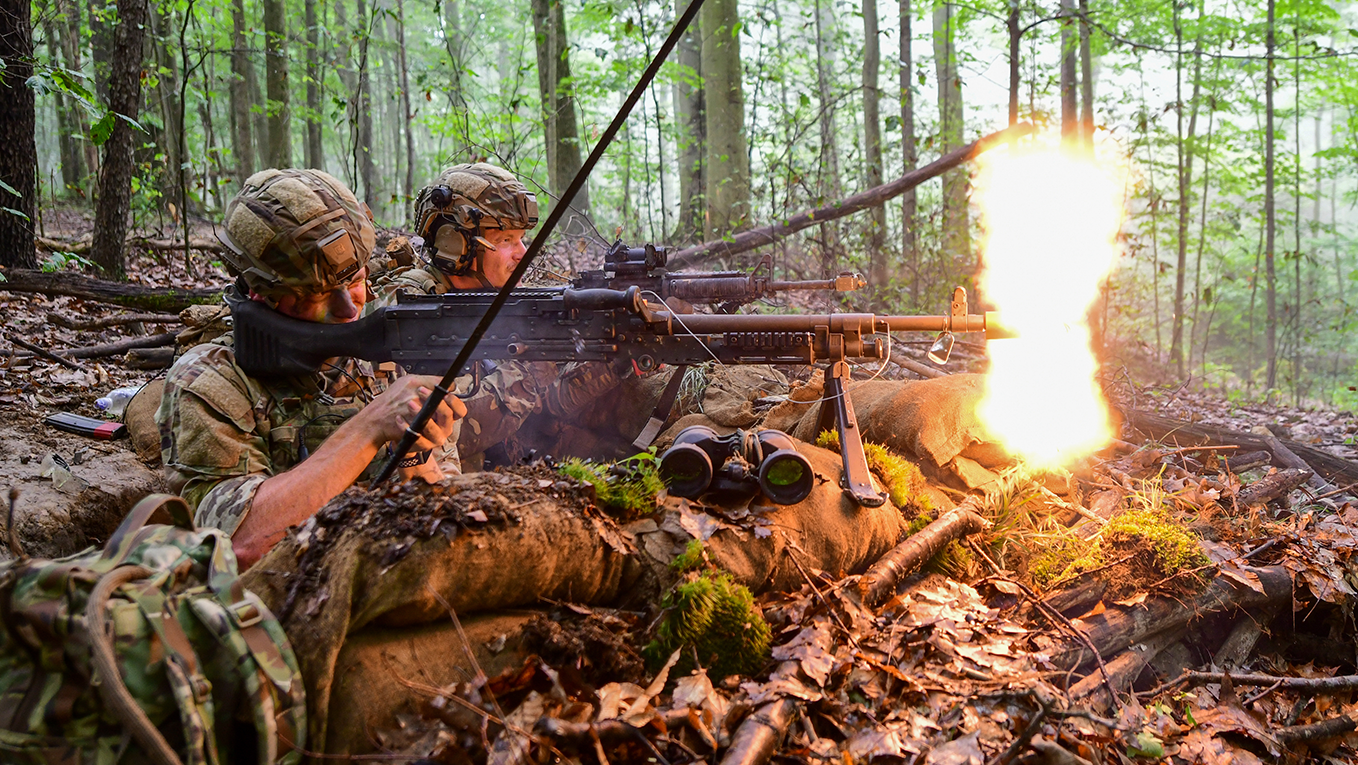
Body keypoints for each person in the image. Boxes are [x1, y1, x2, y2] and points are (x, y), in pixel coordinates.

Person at [156, 169, 466, 568]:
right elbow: (242, 543)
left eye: (355, 279)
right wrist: (371, 425)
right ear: (260, 294)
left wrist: (412, 452)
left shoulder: (390, 350)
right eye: (317, 294)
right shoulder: (210, 380)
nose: (350, 308)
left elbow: (445, 515)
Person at [375, 163, 628, 468]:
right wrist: (529, 374)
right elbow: (433, 443)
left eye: (521, 238)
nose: (523, 252)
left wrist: (618, 358)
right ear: (455, 244)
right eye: (506, 240)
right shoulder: (411, 311)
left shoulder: (492, 297)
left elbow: (547, 404)